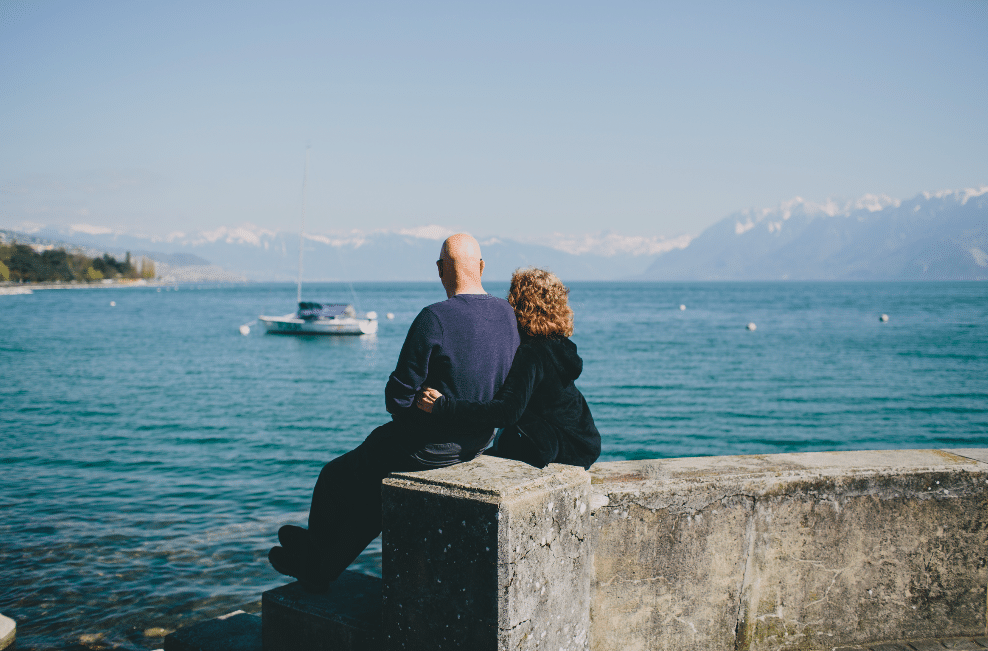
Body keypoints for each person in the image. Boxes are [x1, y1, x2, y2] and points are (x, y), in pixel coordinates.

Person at [269, 233, 520, 591]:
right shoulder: (507, 314)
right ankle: (323, 562)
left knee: (334, 477)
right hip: (479, 441)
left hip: (429, 447)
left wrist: (424, 411)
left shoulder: (434, 318)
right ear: (481, 267)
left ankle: (315, 556)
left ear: (440, 270)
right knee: (375, 496)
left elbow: (397, 398)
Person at [415, 267, 600, 470]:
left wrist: (443, 405)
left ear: (520, 303)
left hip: (563, 447)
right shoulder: (559, 344)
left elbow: (506, 412)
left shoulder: (531, 353)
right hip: (583, 441)